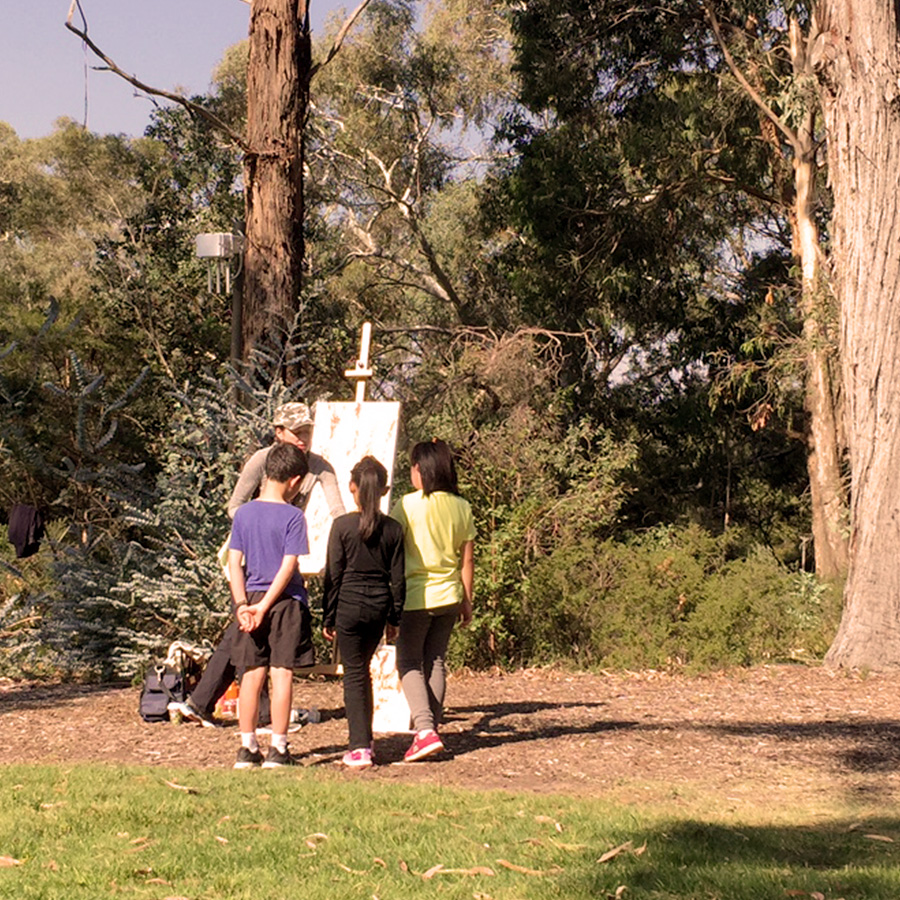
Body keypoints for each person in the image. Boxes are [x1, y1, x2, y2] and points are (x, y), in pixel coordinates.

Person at [169, 402, 346, 728]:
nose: (304, 439)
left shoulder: (319, 466)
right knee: (256, 629)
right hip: (251, 548)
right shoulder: (260, 461)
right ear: (279, 433)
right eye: (297, 432)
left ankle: (202, 701)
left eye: (308, 432)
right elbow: (234, 506)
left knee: (247, 626)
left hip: (286, 547)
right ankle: (258, 715)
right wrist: (263, 520)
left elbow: (339, 513)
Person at [390, 439, 475, 762]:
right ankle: (432, 731)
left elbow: (393, 552)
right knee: (436, 661)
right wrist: (467, 600)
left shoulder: (407, 505)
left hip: (415, 595)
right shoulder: (461, 506)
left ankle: (425, 731)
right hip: (449, 595)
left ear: (421, 470)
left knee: (409, 661)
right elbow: (467, 561)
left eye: (413, 467)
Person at [229, 442, 312, 768]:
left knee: (251, 674)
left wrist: (242, 605)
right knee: (282, 673)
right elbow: (288, 566)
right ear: (294, 481)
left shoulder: (245, 513)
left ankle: (247, 748)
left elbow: (234, 563)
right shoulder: (294, 516)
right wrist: (265, 606)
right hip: (284, 602)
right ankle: (278, 748)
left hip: (248, 600)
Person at [322, 457, 405, 769]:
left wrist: (327, 616)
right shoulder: (394, 530)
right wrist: (394, 618)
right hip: (378, 606)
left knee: (355, 674)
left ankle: (359, 747)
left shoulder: (342, 526)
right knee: (363, 672)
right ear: (383, 490)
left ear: (352, 488)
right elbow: (398, 579)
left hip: (348, 605)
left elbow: (334, 575)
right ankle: (365, 739)